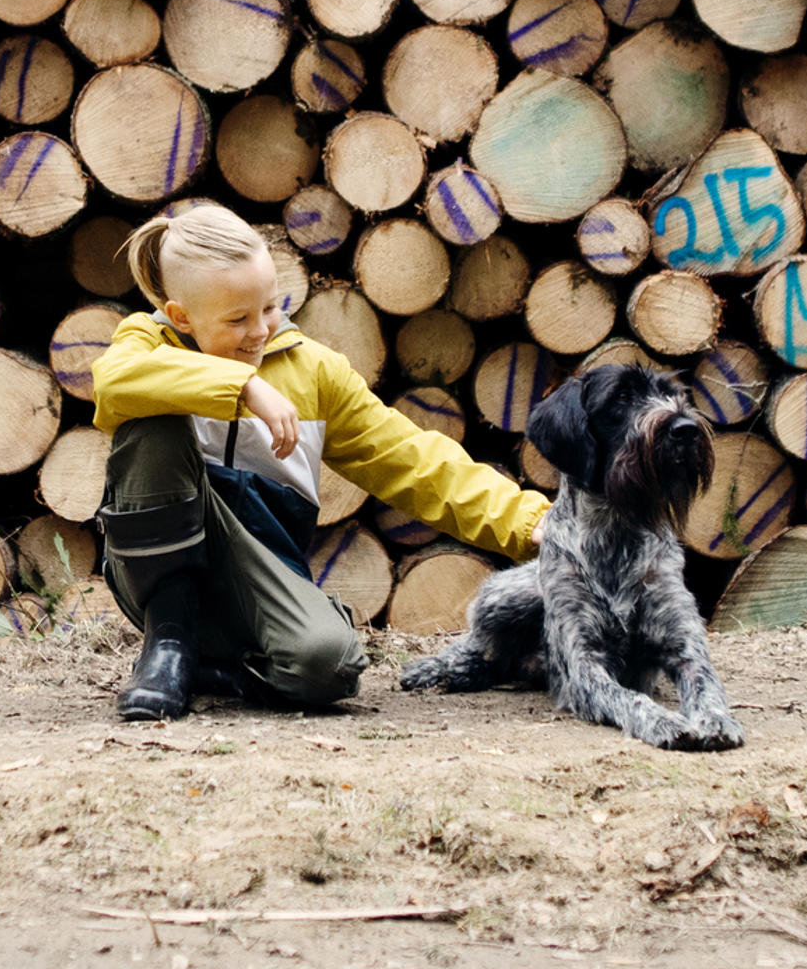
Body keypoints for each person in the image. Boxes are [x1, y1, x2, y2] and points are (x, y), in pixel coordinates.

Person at [91, 201, 548, 721]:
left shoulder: (316, 371)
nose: (261, 330)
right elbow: (112, 381)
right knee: (151, 418)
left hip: (262, 575)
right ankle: (168, 647)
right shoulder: (146, 342)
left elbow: (409, 458)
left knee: (329, 665)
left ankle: (215, 667)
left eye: (269, 306)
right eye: (237, 318)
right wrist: (242, 386)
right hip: (156, 574)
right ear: (180, 317)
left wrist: (529, 521)